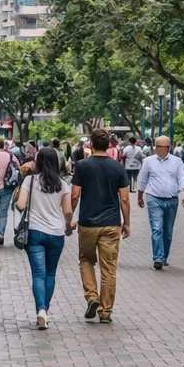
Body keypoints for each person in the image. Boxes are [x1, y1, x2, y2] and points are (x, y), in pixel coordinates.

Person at [71, 130, 131, 324]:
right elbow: (124, 198)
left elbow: (74, 195)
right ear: (109, 144)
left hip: (87, 222)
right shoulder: (117, 167)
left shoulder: (82, 166)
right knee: (109, 268)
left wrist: (69, 217)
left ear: (91, 143)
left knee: (86, 260)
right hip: (111, 223)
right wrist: (127, 223)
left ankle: (92, 297)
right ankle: (105, 311)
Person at [15, 146, 75, 330]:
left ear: (38, 161)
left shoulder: (30, 181)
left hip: (35, 232)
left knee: (38, 274)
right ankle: (45, 312)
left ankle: (40, 310)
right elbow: (67, 211)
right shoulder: (63, 184)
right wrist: (68, 225)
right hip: (56, 234)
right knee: (50, 273)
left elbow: (20, 205)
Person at [137, 135, 184, 270]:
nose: (161, 149)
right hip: (154, 198)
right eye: (159, 146)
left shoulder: (177, 161)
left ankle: (164, 256)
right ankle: (158, 258)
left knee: (168, 231)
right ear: (155, 147)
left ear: (169, 147)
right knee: (157, 228)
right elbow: (142, 179)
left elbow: (183, 176)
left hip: (172, 200)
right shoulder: (149, 161)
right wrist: (139, 196)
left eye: (164, 146)